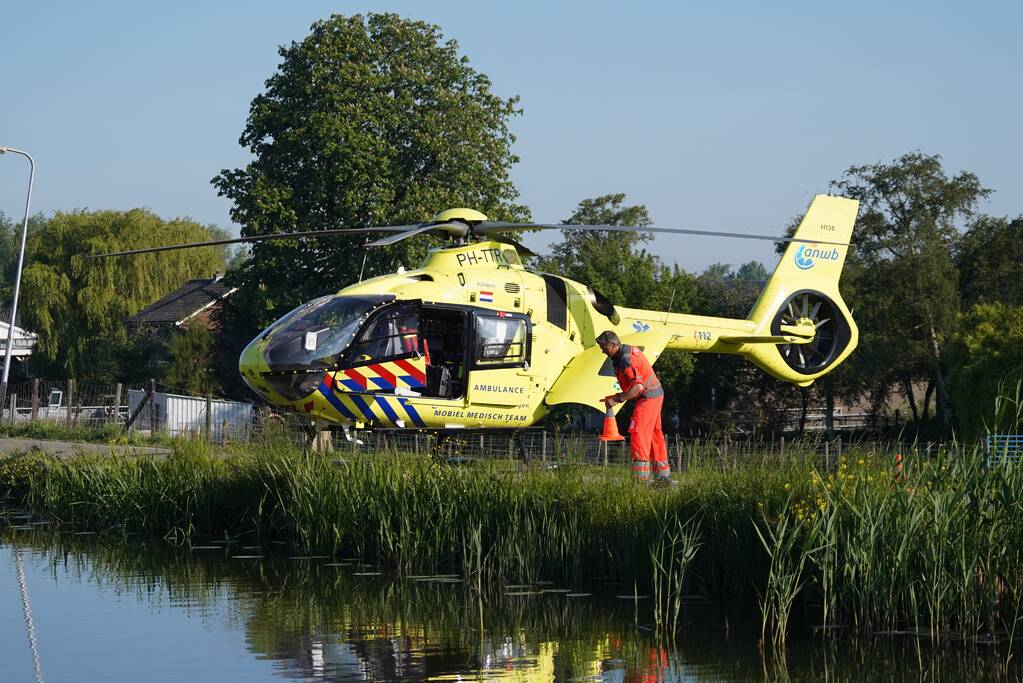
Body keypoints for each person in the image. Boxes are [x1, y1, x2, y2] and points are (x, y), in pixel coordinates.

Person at [596, 330, 671, 483]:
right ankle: (662, 477)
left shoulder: (626, 359)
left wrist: (617, 399)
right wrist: (617, 396)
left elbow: (637, 388)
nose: (602, 351)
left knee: (639, 431)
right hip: (655, 394)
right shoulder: (623, 354)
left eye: (604, 347)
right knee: (654, 434)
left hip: (647, 397)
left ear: (613, 345)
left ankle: (641, 479)